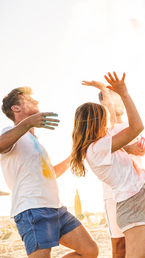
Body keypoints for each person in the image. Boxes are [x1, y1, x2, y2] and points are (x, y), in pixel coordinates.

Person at [71, 72, 145, 258]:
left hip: (143, 196)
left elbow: (113, 116)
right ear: (95, 123)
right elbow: (137, 127)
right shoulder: (97, 148)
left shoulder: (103, 141)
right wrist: (124, 94)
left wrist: (103, 88)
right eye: (104, 119)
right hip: (131, 204)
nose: (109, 122)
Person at [0, 87, 98, 257]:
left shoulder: (34, 142)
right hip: (32, 209)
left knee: (90, 250)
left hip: (56, 208)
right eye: (29, 99)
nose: (36, 101)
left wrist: (74, 156)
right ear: (16, 108)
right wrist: (28, 123)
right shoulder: (10, 132)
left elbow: (49, 173)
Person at [82, 80, 145, 258]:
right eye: (110, 98)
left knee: (144, 241)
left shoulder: (132, 123)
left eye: (117, 95)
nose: (115, 101)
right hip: (115, 192)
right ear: (103, 104)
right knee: (120, 245)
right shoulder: (106, 129)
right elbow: (107, 146)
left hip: (139, 187)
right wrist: (102, 89)